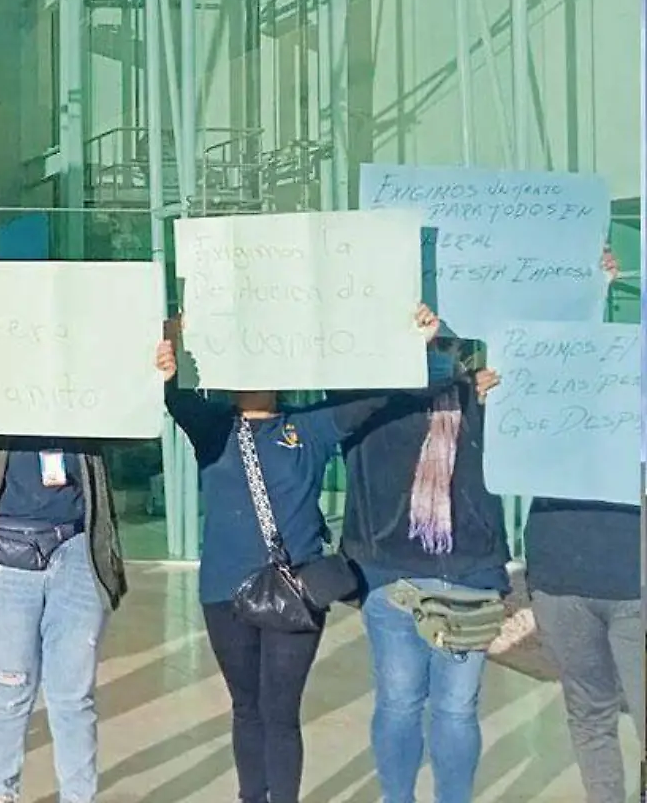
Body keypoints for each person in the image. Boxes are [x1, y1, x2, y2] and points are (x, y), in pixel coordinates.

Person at [158, 306, 466, 803]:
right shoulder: (212, 426)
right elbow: (171, 392)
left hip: (296, 592)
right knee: (246, 707)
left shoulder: (312, 425)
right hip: (223, 592)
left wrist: (415, 343)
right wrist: (173, 339)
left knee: (280, 713)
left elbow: (379, 396)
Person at [494, 249, 641, 803]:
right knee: (589, 711)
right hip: (560, 575)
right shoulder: (537, 382)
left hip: (632, 577)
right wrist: (586, 286)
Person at [334, 341, 507, 803]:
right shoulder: (374, 398)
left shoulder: (485, 397)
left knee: (421, 706)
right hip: (406, 576)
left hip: (455, 576)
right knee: (431, 707)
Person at [0, 433, 128, 803]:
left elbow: (131, 431)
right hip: (7, 548)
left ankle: (78, 796)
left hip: (78, 548)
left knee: (73, 696)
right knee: (9, 687)